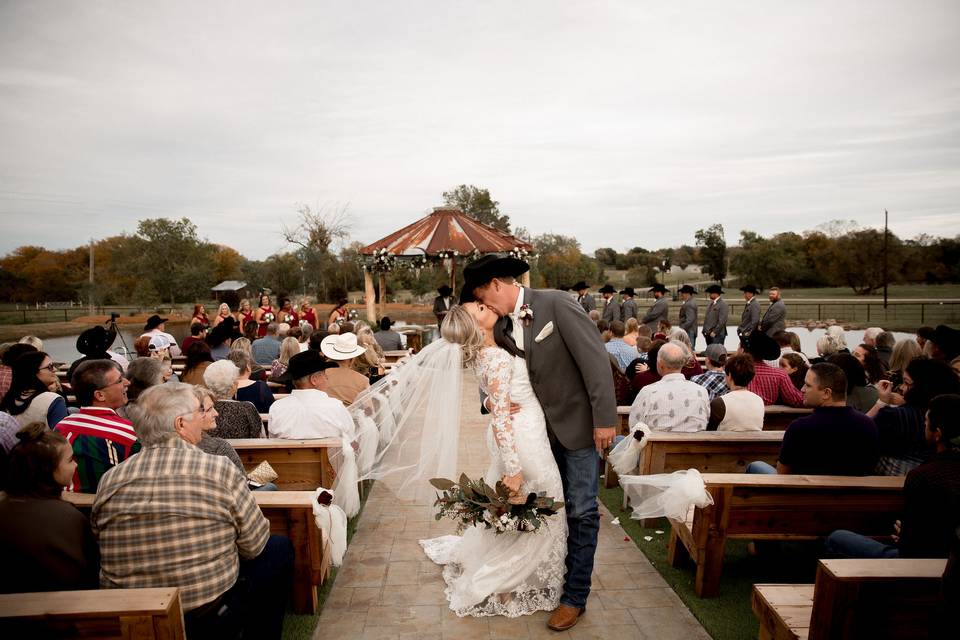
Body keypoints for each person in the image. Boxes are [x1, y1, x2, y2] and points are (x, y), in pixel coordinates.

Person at [460, 255, 616, 630]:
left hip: (577, 428)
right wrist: (489, 402)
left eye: (484, 296)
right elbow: (497, 372)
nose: (485, 306)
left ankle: (574, 597)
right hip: (536, 435)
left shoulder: (556, 303)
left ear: (497, 284)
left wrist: (606, 419)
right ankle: (549, 579)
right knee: (552, 510)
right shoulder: (499, 324)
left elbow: (595, 359)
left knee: (581, 511)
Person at [92, 383, 293, 638]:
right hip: (202, 610)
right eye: (200, 410)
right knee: (277, 548)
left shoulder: (111, 478)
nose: (207, 415)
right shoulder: (218, 466)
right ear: (180, 424)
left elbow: (98, 536)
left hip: (128, 608)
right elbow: (254, 545)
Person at [826, 393, 960, 559]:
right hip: (938, 555)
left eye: (926, 422)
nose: (923, 425)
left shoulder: (924, 475)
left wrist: (908, 534)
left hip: (924, 563)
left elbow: (914, 547)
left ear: (937, 433)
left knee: (837, 538)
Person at [0, 423, 99, 594]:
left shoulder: (5, 508)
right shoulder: (69, 518)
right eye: (69, 460)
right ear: (47, 470)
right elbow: (90, 572)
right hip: (65, 608)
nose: (75, 465)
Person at [746, 363, 879, 476]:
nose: (802, 389)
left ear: (826, 393)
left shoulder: (800, 428)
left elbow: (782, 475)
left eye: (808, 385)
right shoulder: (867, 425)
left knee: (756, 466)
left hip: (803, 500)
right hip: (856, 503)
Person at [55, 359, 139, 492]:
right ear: (100, 395)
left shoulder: (60, 427)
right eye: (119, 381)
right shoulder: (129, 434)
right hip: (109, 507)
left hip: (65, 504)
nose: (127, 382)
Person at [869, 358, 960, 475]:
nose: (901, 387)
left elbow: (864, 434)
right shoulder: (950, 414)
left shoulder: (894, 417)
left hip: (888, 481)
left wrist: (881, 402)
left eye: (906, 383)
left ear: (922, 387)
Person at [268, 351, 354, 439]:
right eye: (324, 374)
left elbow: (272, 439)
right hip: (328, 453)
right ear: (314, 380)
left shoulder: (277, 408)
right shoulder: (337, 407)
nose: (327, 378)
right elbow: (350, 439)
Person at [628, 342, 709, 432]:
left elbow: (634, 427)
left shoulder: (647, 392)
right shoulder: (701, 392)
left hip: (656, 445)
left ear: (660, 364)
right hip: (696, 445)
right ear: (683, 363)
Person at [1, 350, 68, 428]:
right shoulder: (54, 400)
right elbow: (61, 436)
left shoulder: (10, 398)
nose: (55, 370)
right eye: (49, 367)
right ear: (33, 371)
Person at [203, 360, 264, 439]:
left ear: (208, 385)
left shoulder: (202, 410)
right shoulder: (248, 408)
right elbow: (260, 436)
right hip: (245, 451)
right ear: (233, 386)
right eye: (236, 381)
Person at [743, 331, 805, 407]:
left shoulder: (737, 372)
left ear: (745, 351)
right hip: (770, 417)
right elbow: (796, 400)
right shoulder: (780, 375)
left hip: (743, 415)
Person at [707, 354, 764, 431]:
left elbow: (710, 431)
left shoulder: (720, 403)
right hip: (756, 442)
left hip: (725, 442)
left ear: (729, 375)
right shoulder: (759, 400)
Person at [320, 333, 371, 405]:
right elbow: (369, 411)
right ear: (352, 358)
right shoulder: (362, 381)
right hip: (351, 415)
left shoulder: (318, 377)